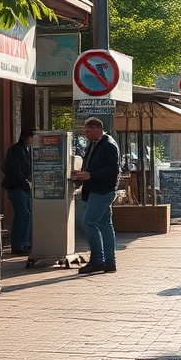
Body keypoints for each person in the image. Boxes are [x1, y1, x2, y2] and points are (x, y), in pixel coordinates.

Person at [71, 117, 121, 274]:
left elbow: (112, 170)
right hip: (96, 189)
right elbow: (91, 165)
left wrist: (90, 175)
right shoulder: (95, 144)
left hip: (102, 190)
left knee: (88, 222)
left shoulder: (108, 145)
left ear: (95, 129)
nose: (85, 135)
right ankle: (110, 262)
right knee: (105, 225)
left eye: (86, 131)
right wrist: (82, 173)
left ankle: (98, 259)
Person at [1, 128, 34, 255]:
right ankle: (18, 244)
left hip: (23, 187)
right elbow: (13, 170)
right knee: (22, 214)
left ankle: (24, 242)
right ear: (26, 137)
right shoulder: (16, 150)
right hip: (16, 187)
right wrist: (25, 181)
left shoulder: (27, 150)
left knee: (26, 214)